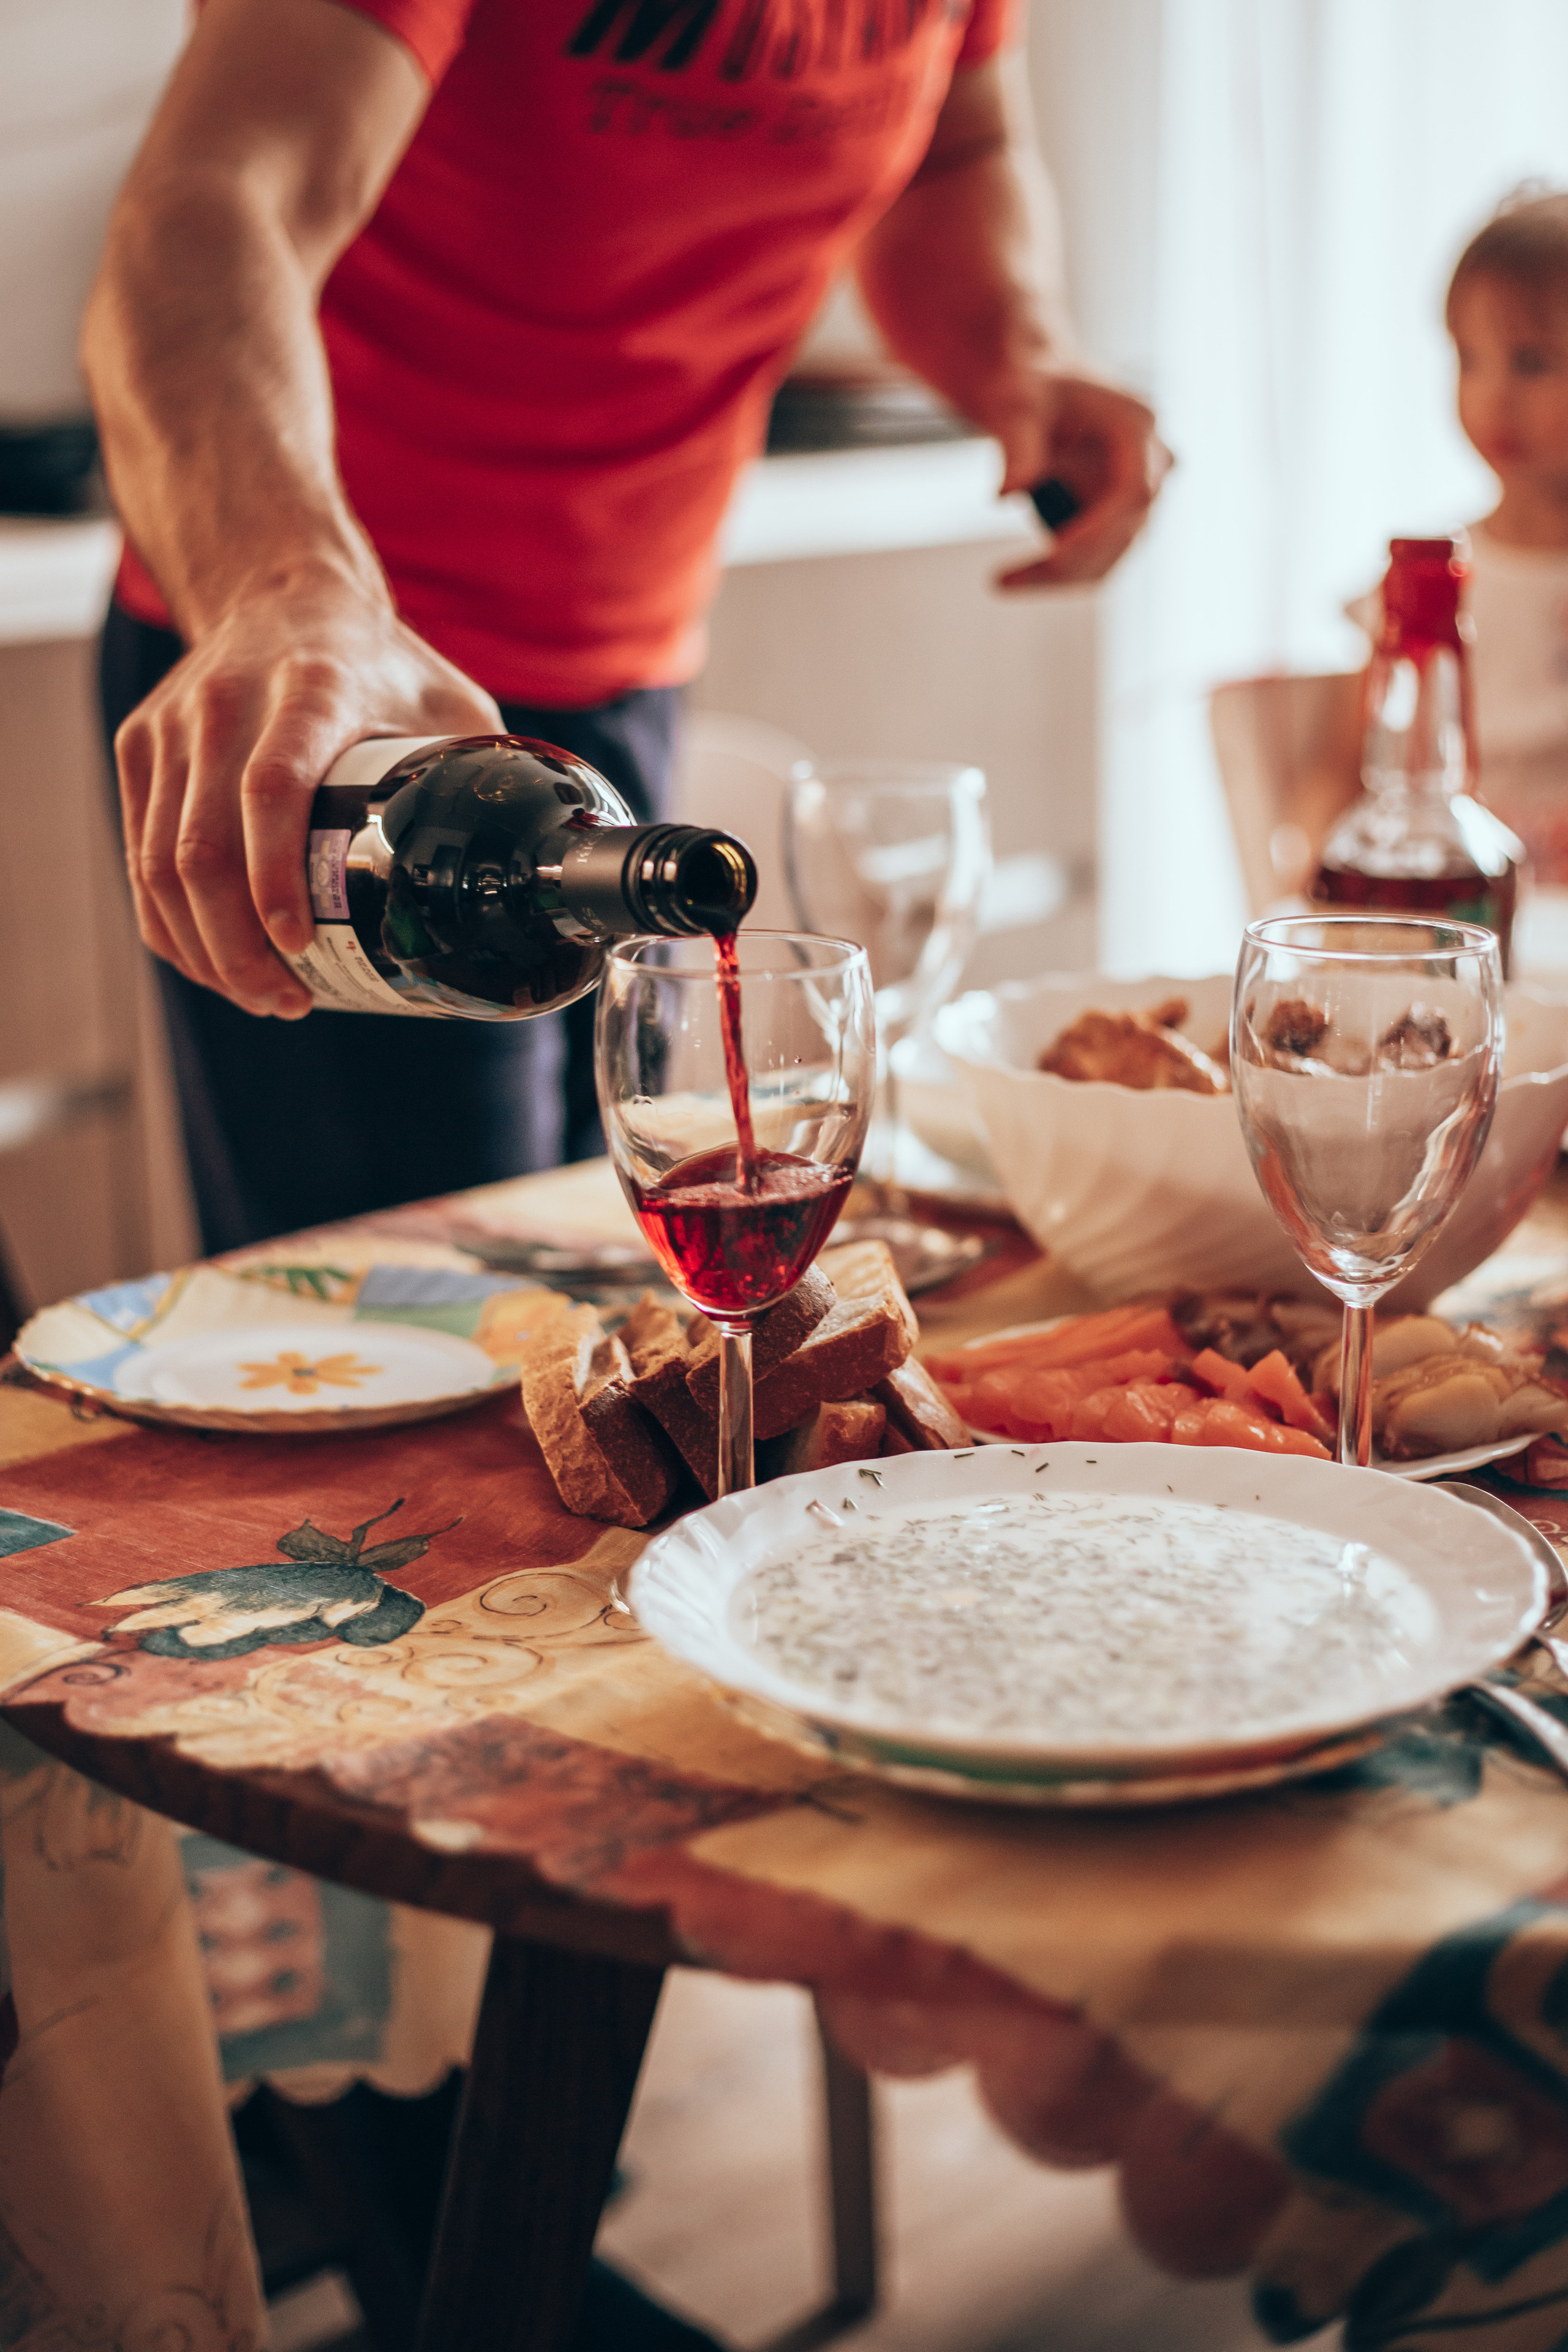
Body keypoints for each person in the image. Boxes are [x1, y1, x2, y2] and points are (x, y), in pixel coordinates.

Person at [85, 0, 1170, 1253]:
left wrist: (1019, 350)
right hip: (337, 690)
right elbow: (210, 208)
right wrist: (287, 588)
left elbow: (956, 151)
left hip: (618, 668)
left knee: (585, 1262)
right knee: (415, 1309)